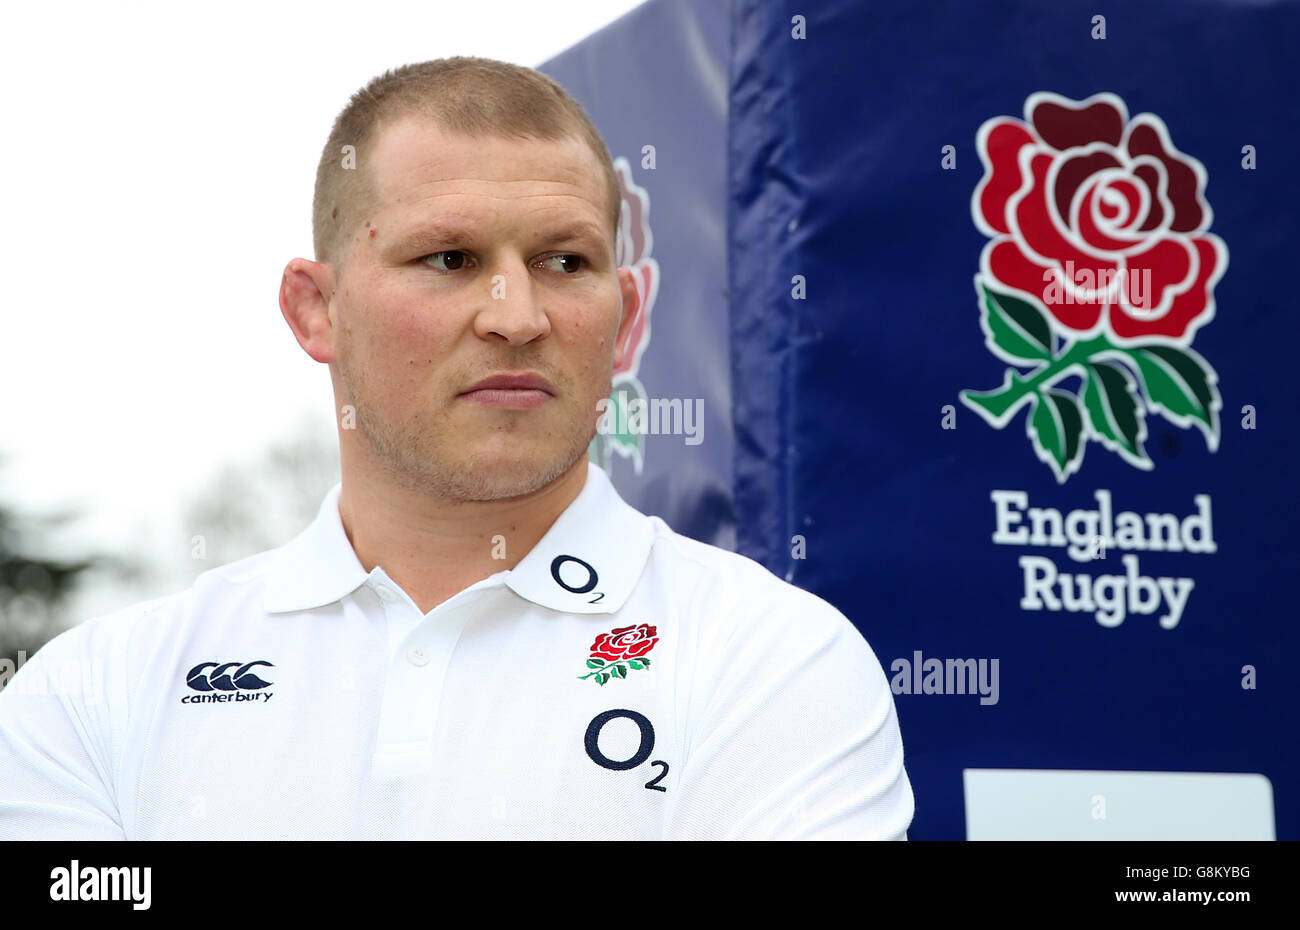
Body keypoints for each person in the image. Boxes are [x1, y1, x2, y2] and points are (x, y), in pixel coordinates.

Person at [0, 57, 913, 840]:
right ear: (316, 310)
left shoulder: (773, 659)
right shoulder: (94, 696)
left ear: (625, 319)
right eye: (450, 259)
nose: (517, 317)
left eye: (565, 262)